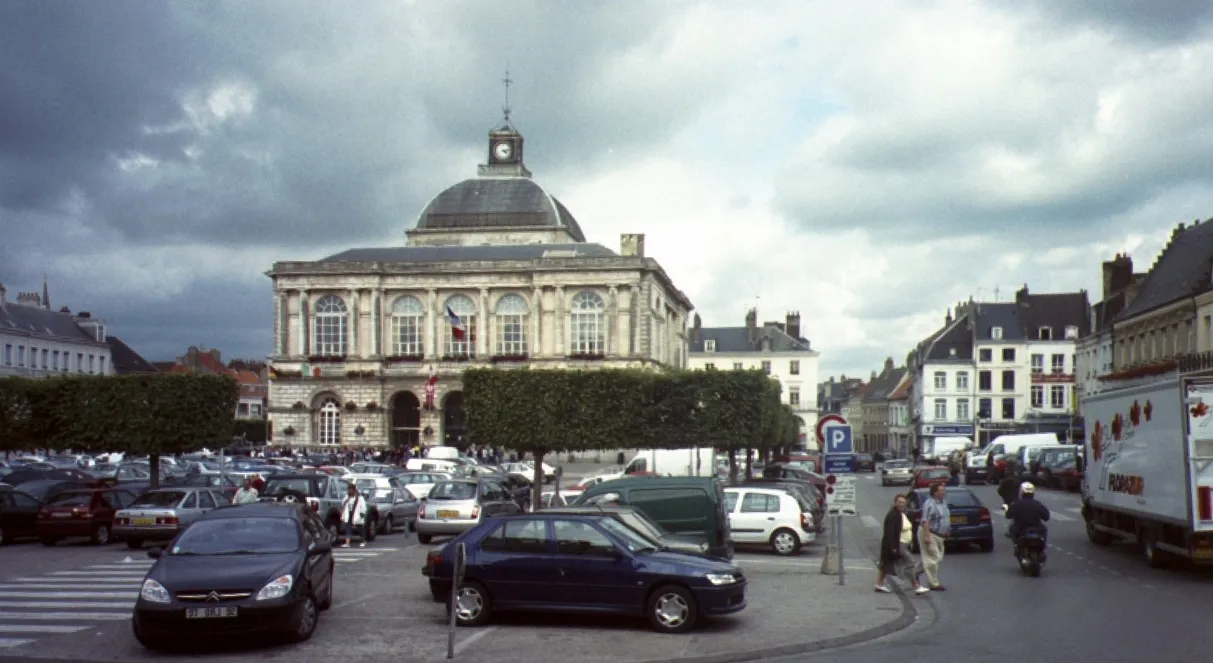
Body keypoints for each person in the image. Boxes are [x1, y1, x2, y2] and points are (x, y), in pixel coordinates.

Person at [876, 494, 931, 595]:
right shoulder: (893, 515)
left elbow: (914, 518)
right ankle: (916, 586)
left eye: (903, 503)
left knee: (887, 565)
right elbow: (890, 533)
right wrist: (893, 548)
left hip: (903, 544)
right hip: (898, 545)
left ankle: (879, 584)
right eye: (899, 502)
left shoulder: (903, 513)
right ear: (895, 503)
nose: (901, 504)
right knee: (910, 563)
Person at [918, 482, 950, 591]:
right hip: (929, 532)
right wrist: (927, 536)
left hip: (939, 535)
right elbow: (925, 520)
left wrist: (947, 531)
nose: (943, 492)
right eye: (941, 491)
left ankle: (915, 573)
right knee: (934, 557)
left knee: (936, 558)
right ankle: (934, 584)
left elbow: (945, 518)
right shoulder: (929, 503)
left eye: (943, 490)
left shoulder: (943, 502)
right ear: (934, 492)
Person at [1006, 482, 1051, 546]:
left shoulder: (1016, 504)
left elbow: (1008, 515)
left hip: (1020, 528)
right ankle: (1043, 546)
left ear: (1021, 492)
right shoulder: (1038, 504)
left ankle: (1016, 545)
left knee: (1012, 529)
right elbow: (1046, 517)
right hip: (1036, 527)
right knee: (1044, 529)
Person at [340, 482, 368, 548]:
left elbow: (364, 507)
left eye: (350, 490)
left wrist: (361, 515)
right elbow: (343, 503)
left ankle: (363, 541)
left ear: (354, 490)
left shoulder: (360, 498)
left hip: (357, 514)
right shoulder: (347, 497)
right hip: (349, 514)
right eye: (348, 490)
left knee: (359, 528)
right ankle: (347, 543)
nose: (349, 491)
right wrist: (347, 499)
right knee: (348, 528)